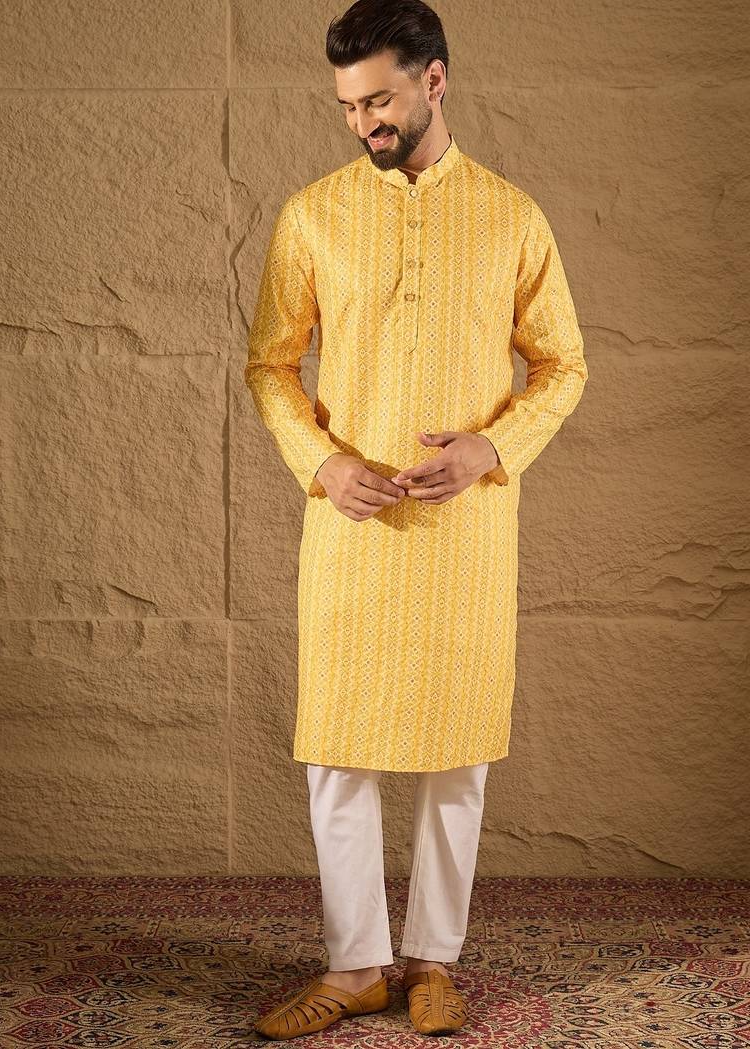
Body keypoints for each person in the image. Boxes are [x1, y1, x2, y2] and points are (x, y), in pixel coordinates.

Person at [244, 0, 588, 1037]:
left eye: (379, 100)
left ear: (434, 81)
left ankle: (434, 958)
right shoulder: (312, 215)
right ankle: (354, 964)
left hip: (462, 530)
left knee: (457, 754)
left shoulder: (511, 216)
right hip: (349, 525)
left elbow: (563, 364)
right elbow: (270, 365)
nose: (364, 123)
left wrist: (492, 448)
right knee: (336, 750)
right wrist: (322, 462)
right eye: (349, 107)